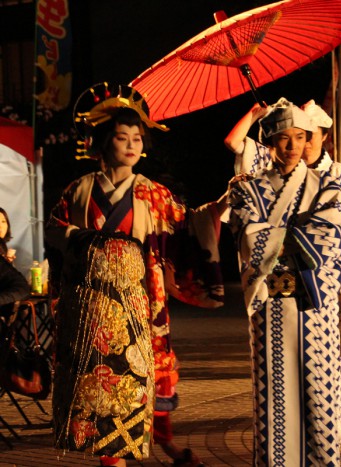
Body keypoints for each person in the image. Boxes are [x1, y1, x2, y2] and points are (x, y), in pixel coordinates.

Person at [45, 83, 226, 467]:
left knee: (148, 378)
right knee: (102, 381)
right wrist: (82, 239)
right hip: (93, 306)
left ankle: (164, 444)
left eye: (137, 138)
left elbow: (188, 226)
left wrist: (220, 207)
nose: (131, 145)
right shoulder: (79, 190)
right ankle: (112, 458)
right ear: (99, 143)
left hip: (139, 302)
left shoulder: (153, 193)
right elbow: (53, 229)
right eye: (121, 137)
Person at [226, 99, 341, 465]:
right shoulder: (247, 187)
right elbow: (247, 238)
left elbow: (333, 234)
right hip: (272, 306)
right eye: (282, 138)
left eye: (300, 137)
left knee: (320, 393)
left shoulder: (329, 180)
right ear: (269, 142)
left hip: (316, 303)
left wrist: (276, 237)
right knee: (274, 391)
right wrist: (296, 233)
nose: (293, 146)